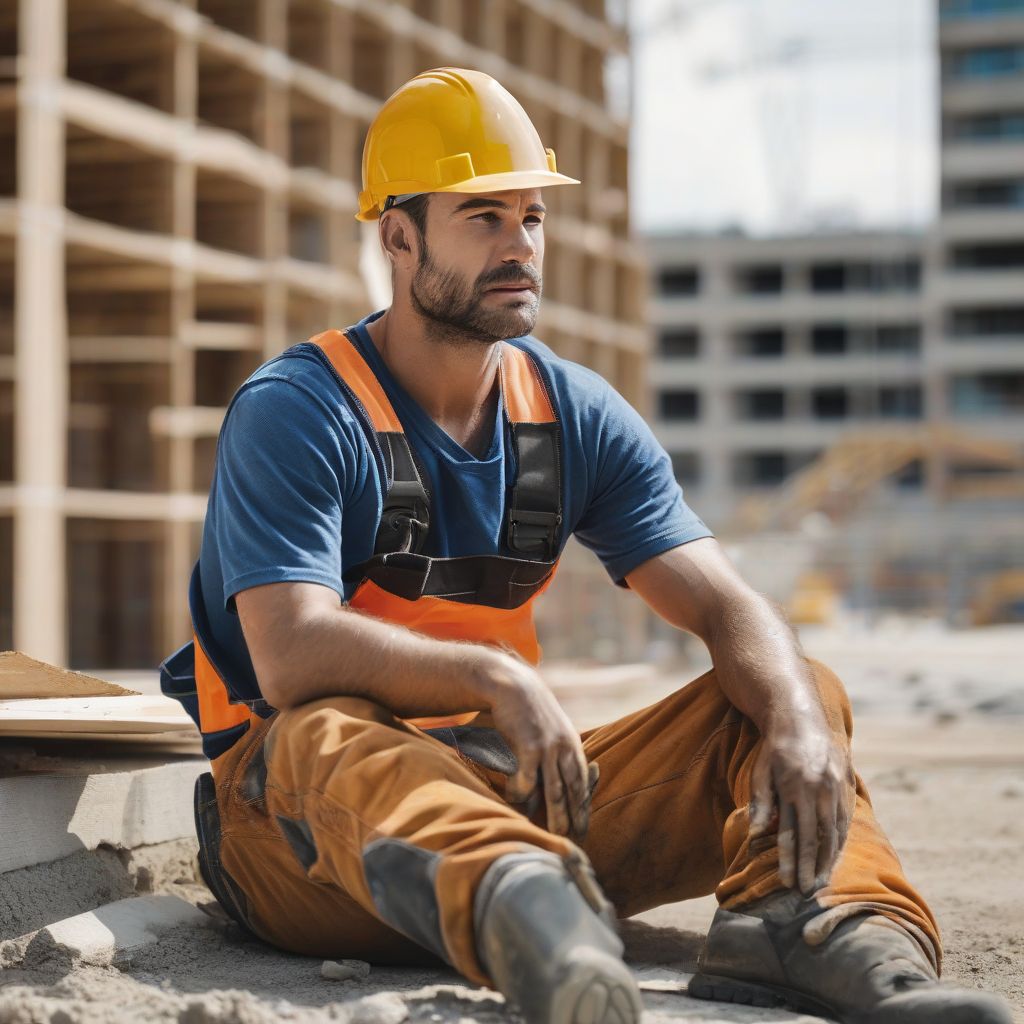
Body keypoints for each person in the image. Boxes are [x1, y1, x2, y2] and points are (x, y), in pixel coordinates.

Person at [161, 68, 1011, 1024]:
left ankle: (810, 925)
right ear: (398, 237)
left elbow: (726, 607)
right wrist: (496, 680)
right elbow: (288, 653)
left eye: (531, 216)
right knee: (321, 731)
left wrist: (801, 724)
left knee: (787, 691)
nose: (520, 243)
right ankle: (543, 938)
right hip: (297, 832)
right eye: (483, 215)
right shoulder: (301, 410)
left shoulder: (567, 411)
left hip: (516, 799)